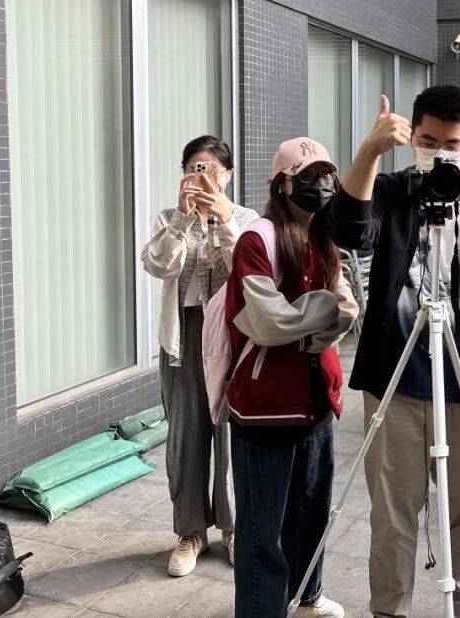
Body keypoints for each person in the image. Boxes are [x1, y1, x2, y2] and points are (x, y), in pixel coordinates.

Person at [329, 85, 460, 618]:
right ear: (411, 138)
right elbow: (347, 230)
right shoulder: (392, 189)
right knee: (391, 516)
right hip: (395, 383)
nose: (439, 154)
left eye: (451, 145)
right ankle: (388, 611)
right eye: (427, 141)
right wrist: (370, 151)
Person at [224, 137, 358, 618]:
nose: (321, 185)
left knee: (311, 513)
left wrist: (307, 322)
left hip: (317, 400)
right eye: (307, 176)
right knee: (262, 530)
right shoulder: (256, 240)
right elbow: (266, 321)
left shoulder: (324, 237)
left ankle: (307, 598)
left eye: (326, 175)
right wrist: (319, 319)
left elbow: (348, 308)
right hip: (265, 407)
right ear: (282, 184)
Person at [141, 135, 257, 578]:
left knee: (230, 435)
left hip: (231, 338)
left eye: (211, 169)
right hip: (185, 338)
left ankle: (233, 527)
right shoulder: (169, 218)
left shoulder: (246, 219)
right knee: (185, 438)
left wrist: (223, 219)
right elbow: (157, 265)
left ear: (228, 175)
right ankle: (190, 532)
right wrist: (183, 220)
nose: (202, 176)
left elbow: (250, 268)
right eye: (194, 168)